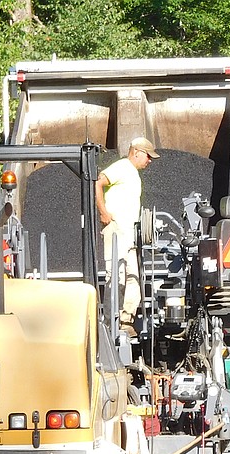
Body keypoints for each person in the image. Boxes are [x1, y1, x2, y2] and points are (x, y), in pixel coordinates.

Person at [95, 136, 159, 336]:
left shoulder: (133, 174)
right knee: (116, 277)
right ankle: (108, 323)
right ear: (137, 152)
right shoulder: (121, 167)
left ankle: (125, 320)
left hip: (130, 235)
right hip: (116, 231)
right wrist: (103, 212)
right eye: (148, 156)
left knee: (134, 278)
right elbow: (98, 182)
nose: (149, 161)